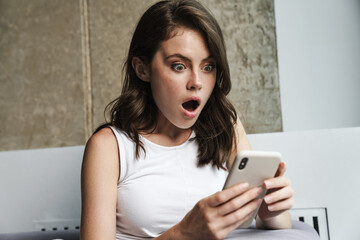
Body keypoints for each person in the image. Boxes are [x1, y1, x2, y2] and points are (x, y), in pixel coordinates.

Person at [80, 0, 294, 239]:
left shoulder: (227, 128)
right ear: (142, 69)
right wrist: (184, 233)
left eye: (208, 66)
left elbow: (279, 226)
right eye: (179, 66)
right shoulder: (109, 146)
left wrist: (270, 208)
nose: (197, 82)